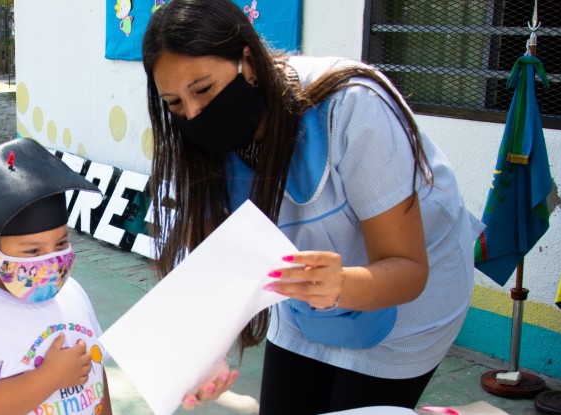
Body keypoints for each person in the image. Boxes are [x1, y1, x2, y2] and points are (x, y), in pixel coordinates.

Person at [142, 0, 484, 414]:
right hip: (306, 302)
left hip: (404, 310)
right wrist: (207, 350)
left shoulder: (351, 107)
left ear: (247, 61)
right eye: (175, 103)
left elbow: (407, 270)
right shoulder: (196, 144)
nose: (194, 113)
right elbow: (219, 264)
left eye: (202, 89)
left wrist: (339, 283)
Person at [0, 138, 112, 415]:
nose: (51, 261)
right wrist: (49, 378)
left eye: (61, 244)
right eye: (33, 250)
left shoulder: (73, 293)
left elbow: (97, 373)